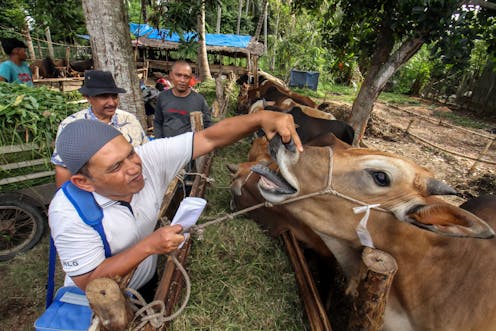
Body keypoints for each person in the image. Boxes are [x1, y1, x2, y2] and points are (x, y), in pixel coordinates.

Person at [49, 111, 302, 299]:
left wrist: (259, 119)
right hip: (103, 301)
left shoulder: (148, 159)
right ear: (83, 182)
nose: (134, 167)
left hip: (146, 279)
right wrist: (149, 246)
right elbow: (88, 281)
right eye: (116, 166)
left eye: (130, 153)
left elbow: (209, 138)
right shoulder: (68, 213)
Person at [51, 70, 148, 187]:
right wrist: (65, 200)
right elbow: (63, 168)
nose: (111, 102)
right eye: (103, 97)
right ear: (88, 97)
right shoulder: (72, 126)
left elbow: (145, 154)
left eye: (114, 96)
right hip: (96, 193)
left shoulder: (129, 120)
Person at [154, 61, 211, 138]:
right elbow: (158, 122)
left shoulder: (199, 100)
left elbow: (208, 125)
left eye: (186, 77)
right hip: (166, 146)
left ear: (190, 78)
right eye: (178, 75)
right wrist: (158, 141)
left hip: (190, 147)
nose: (182, 80)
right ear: (171, 75)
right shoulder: (163, 97)